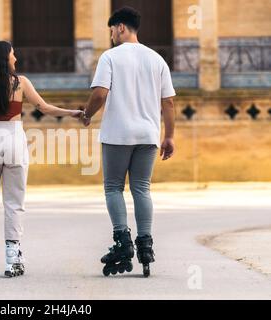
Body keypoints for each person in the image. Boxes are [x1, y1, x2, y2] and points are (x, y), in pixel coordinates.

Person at [0, 41, 82, 277]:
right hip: (13, 138)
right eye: (13, 54)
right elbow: (44, 107)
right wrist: (71, 112)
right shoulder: (20, 83)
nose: (16, 58)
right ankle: (13, 256)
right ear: (5, 58)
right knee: (15, 199)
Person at [80, 7, 176, 277]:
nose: (111, 35)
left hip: (117, 135)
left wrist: (87, 114)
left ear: (121, 27)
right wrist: (169, 135)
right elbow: (168, 102)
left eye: (111, 29)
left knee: (113, 187)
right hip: (148, 135)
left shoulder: (110, 57)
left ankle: (122, 243)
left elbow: (99, 93)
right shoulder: (157, 60)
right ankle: (145, 245)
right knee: (142, 189)